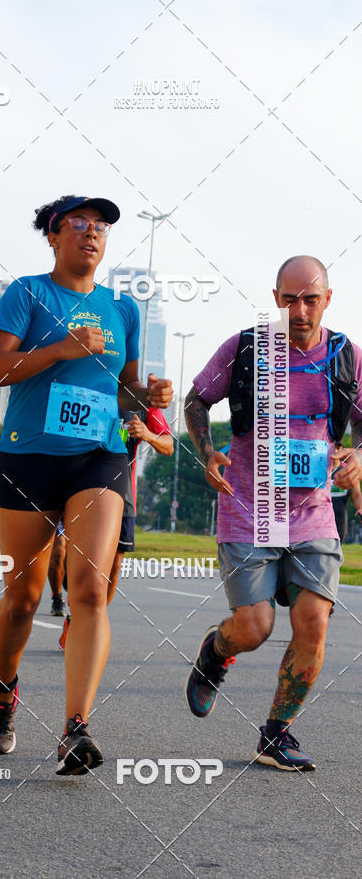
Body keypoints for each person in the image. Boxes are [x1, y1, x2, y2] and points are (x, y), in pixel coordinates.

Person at [0, 194, 173, 775]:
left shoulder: (123, 310)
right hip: (29, 457)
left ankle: (75, 728)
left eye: (101, 228)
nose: (92, 234)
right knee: (23, 598)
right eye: (79, 224)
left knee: (88, 589)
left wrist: (150, 395)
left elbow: (126, 392)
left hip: (99, 457)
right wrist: (62, 349)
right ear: (53, 235)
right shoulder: (27, 294)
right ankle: (4, 688)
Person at [183, 255, 362, 771]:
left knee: (313, 622)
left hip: (313, 513)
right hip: (248, 510)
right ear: (275, 298)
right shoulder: (244, 349)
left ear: (328, 299)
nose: (299, 311)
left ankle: (276, 733)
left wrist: (357, 455)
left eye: (311, 300)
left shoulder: (347, 356)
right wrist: (207, 451)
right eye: (289, 300)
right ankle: (216, 651)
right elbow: (196, 402)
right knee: (254, 627)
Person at [58, 407, 173, 649]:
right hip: (82, 489)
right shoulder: (90, 389)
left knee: (114, 564)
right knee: (82, 560)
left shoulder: (143, 404)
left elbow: (168, 445)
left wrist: (147, 435)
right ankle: (78, 606)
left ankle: (87, 620)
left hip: (123, 495)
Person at [330, 443, 362, 542]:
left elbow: (356, 495)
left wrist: (361, 508)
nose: (335, 451)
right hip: (319, 526)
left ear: (342, 449)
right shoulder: (317, 470)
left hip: (340, 525)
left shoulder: (349, 470)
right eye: (331, 447)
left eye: (338, 447)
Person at [47, 520, 67, 617]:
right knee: (58, 550)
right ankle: (57, 597)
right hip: (56, 514)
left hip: (81, 514)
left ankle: (65, 569)